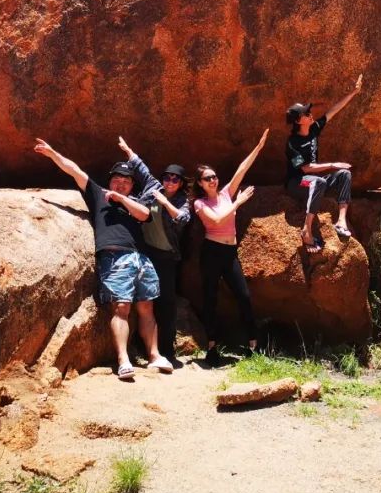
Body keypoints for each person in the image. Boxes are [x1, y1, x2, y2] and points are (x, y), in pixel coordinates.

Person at [33, 138, 173, 380]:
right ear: (109, 181)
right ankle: (123, 360)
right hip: (114, 256)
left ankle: (154, 356)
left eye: (126, 181)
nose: (121, 184)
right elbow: (74, 170)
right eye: (117, 180)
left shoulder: (137, 202)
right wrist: (53, 153)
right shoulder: (98, 194)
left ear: (132, 186)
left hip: (141, 258)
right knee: (121, 307)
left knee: (147, 308)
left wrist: (121, 200)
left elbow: (142, 215)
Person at [193, 128, 268, 365]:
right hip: (212, 252)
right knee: (210, 298)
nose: (213, 180)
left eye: (214, 176)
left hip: (230, 252)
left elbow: (241, 170)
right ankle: (212, 347)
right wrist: (238, 203)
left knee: (244, 296)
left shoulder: (225, 192)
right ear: (200, 184)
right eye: (208, 178)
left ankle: (253, 344)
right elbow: (215, 221)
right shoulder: (199, 203)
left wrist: (258, 147)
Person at [115, 134, 191, 364]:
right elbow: (141, 169)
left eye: (175, 180)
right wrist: (127, 149)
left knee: (166, 302)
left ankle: (166, 351)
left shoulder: (182, 201)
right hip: (145, 253)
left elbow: (183, 219)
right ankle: (143, 348)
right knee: (144, 301)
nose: (169, 182)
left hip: (166, 258)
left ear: (181, 184)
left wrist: (164, 201)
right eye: (167, 177)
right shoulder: (152, 186)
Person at [284, 74, 363, 253]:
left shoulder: (313, 130)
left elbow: (333, 111)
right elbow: (305, 168)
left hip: (313, 181)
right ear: (298, 121)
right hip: (297, 183)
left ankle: (341, 220)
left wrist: (354, 93)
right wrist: (333, 164)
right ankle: (306, 229)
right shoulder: (292, 143)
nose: (310, 114)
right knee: (318, 180)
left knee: (344, 174)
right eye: (306, 113)